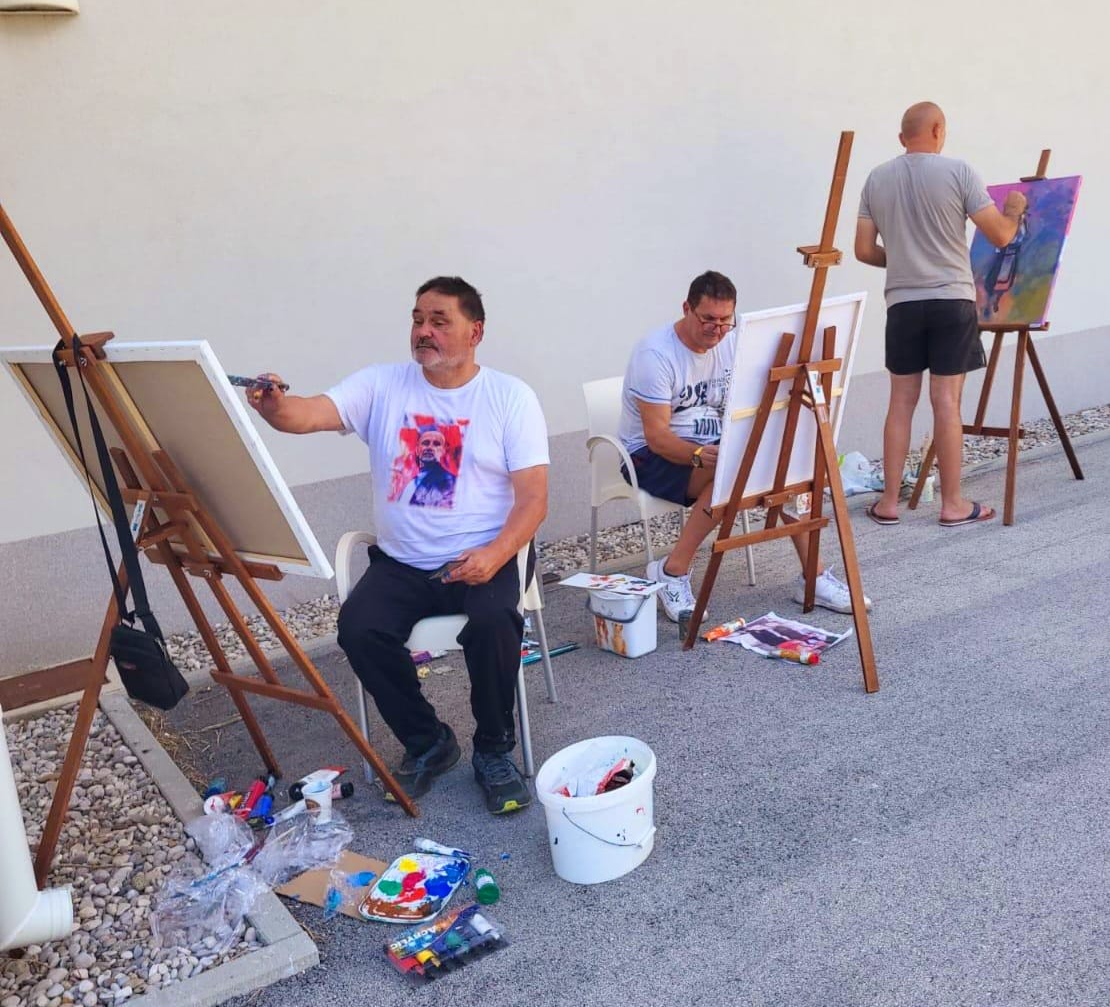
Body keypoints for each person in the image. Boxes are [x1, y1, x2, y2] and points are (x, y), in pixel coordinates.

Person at [246, 276, 549, 814]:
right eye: (417, 319)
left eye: (439, 321)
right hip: (403, 563)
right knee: (359, 629)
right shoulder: (382, 386)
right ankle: (428, 741)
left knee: (494, 621)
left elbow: (533, 499)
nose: (424, 331)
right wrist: (273, 406)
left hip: (485, 554)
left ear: (476, 331)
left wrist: (496, 554)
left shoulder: (510, 397)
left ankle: (493, 749)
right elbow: (305, 414)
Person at [617, 270, 871, 622]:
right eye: (708, 319)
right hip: (650, 456)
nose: (717, 329)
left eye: (725, 321)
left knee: (784, 467)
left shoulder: (731, 341)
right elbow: (657, 437)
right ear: (686, 308)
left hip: (715, 445)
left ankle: (813, 576)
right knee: (731, 474)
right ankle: (672, 570)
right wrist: (698, 455)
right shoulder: (655, 354)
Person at [855, 101, 1028, 528]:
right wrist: (1014, 209)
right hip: (951, 300)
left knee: (901, 402)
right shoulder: (959, 171)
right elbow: (1001, 235)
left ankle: (889, 503)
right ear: (938, 130)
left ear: (902, 138)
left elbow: (863, 250)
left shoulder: (876, 178)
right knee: (946, 402)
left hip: (903, 303)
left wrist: (902, 260)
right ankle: (952, 505)